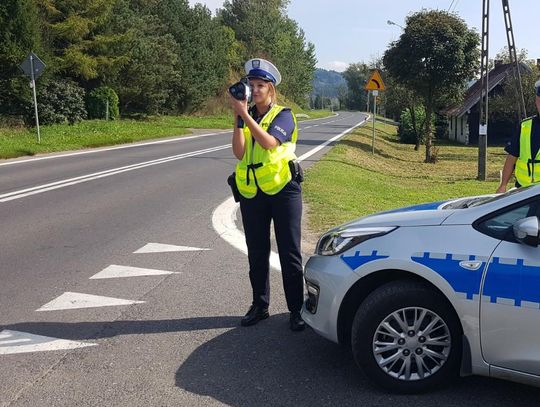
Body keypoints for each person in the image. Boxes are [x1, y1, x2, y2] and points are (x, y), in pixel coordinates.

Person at [229, 58, 305, 331]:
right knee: (257, 253)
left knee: (290, 253)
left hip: (284, 190)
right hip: (253, 193)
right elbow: (239, 153)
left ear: (271, 90)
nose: (255, 89)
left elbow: (270, 142)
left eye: (261, 85)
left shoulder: (284, 115)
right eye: (251, 84)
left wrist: (245, 116)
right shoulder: (244, 115)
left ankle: (297, 310)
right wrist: (239, 119)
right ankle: (259, 306)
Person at [497, 79, 540, 193]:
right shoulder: (525, 126)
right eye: (539, 97)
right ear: (536, 100)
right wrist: (503, 185)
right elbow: (512, 157)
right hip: (522, 190)